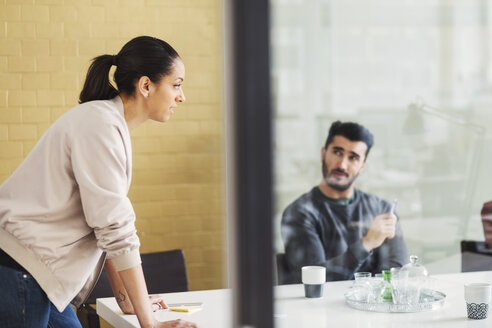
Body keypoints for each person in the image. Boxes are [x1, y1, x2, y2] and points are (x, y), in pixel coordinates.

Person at [0, 36, 197, 328]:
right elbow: (115, 228)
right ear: (146, 86)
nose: (181, 96)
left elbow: (105, 226)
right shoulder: (100, 126)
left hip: (38, 272)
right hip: (23, 269)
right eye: (176, 84)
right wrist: (149, 323)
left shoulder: (107, 124)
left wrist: (127, 300)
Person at [281, 121, 408, 283]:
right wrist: (366, 243)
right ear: (323, 154)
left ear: (363, 165)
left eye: (353, 157)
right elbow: (314, 281)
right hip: (320, 308)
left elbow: (396, 275)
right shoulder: (299, 213)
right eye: (337, 152)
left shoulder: (382, 210)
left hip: (372, 306)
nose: (342, 164)